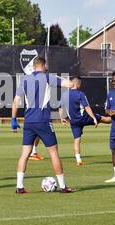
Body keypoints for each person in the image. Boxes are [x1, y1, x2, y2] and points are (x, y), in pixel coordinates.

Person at [11, 57, 73, 194]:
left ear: (33, 67)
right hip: (43, 121)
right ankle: (63, 186)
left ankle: (19, 187)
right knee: (53, 151)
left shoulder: (25, 80)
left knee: (25, 153)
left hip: (28, 122)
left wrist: (14, 119)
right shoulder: (47, 77)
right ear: (44, 65)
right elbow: (69, 84)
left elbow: (16, 101)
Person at [59, 76, 111, 166]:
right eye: (80, 84)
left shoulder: (64, 95)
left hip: (74, 121)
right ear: (77, 84)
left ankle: (78, 160)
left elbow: (60, 108)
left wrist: (62, 118)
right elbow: (87, 107)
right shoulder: (80, 94)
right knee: (104, 119)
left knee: (77, 140)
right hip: (85, 118)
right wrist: (94, 118)